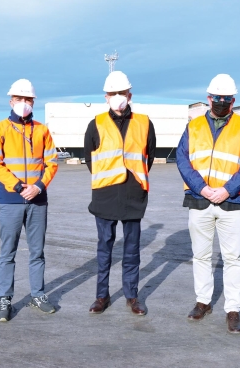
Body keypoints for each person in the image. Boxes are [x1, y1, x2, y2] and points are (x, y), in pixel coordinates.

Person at [176, 74, 240, 334]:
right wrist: (201, 188)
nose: (222, 102)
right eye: (217, 98)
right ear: (209, 98)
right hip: (199, 200)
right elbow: (182, 159)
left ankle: (232, 310)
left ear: (233, 101)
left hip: (231, 202)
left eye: (227, 99)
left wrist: (227, 190)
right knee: (200, 255)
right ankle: (203, 302)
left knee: (233, 258)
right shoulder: (194, 126)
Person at [83, 71, 156, 316]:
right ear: (106, 97)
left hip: (133, 193)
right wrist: (108, 176)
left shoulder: (144, 122)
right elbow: (89, 158)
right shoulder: (96, 123)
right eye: (113, 93)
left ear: (130, 95)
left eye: (122, 93)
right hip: (105, 194)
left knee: (132, 249)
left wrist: (134, 178)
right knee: (105, 248)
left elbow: (150, 156)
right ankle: (101, 296)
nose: (118, 97)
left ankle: (132, 296)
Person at [0, 79, 59, 322]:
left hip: (38, 200)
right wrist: (18, 186)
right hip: (11, 200)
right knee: (8, 252)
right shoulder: (0, 129)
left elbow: (52, 163)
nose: (24, 103)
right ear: (11, 101)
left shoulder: (42, 130)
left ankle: (38, 294)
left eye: (28, 99)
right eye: (20, 99)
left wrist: (38, 187)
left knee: (37, 252)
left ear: (33, 102)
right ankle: (5, 298)